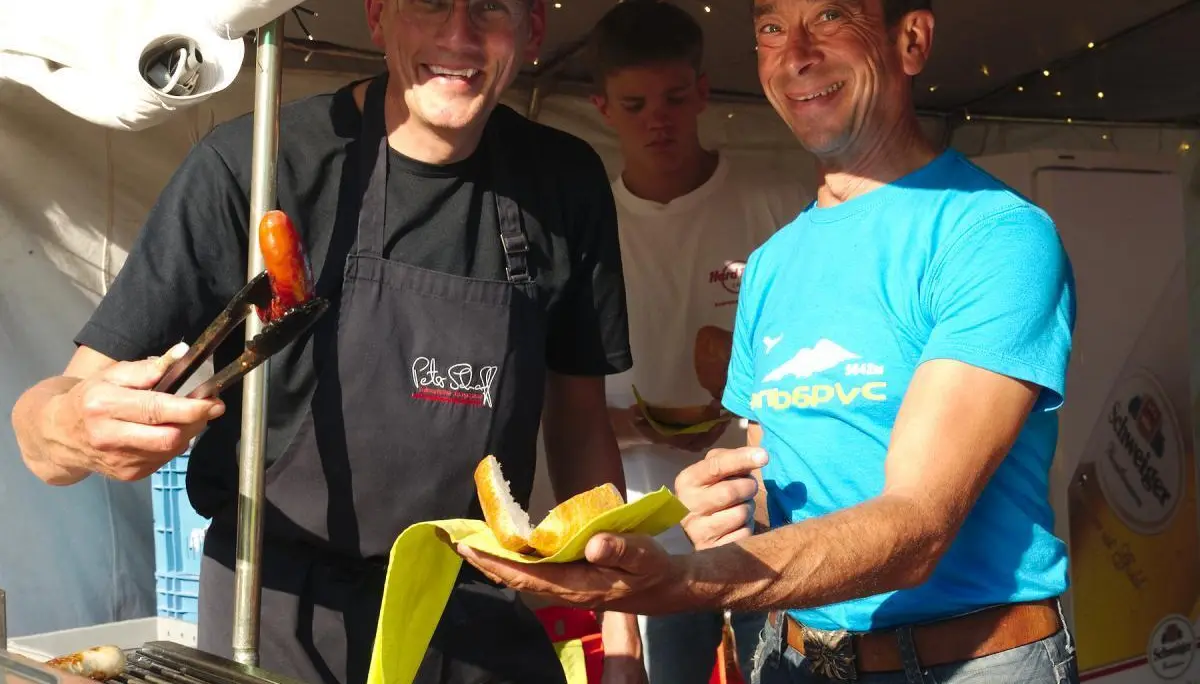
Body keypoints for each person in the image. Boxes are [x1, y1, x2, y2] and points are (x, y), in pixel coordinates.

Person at [8, 0, 647, 682]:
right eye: (430, 1)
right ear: (377, 15)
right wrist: (69, 425)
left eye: (490, 7)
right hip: (283, 623)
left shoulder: (564, 184)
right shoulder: (257, 166)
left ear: (533, 30)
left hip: (476, 620)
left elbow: (579, 430)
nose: (458, 34)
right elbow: (45, 430)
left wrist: (625, 644)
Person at [457, 0, 1082, 682]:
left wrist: (691, 580)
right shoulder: (776, 262)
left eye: (832, 16)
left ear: (911, 41)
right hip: (794, 658)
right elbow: (773, 481)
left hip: (969, 660)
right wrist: (711, 504)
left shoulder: (992, 234)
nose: (797, 52)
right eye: (771, 28)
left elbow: (916, 527)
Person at [587, 1, 809, 681]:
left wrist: (748, 420)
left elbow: (815, 359)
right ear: (602, 107)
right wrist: (629, 424)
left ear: (703, 93)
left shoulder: (775, 202)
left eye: (675, 98)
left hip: (769, 507)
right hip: (647, 517)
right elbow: (566, 392)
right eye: (634, 103)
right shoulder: (588, 220)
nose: (657, 119)